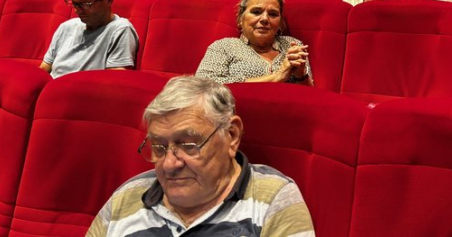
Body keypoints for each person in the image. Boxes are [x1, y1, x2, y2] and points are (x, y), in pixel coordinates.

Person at [86, 76, 315, 236]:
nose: (169, 164)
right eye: (158, 147)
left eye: (188, 144)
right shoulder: (128, 195)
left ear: (232, 135)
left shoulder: (273, 199)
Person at [196, 0, 313, 85]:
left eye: (273, 14)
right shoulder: (224, 46)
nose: (265, 19)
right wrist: (277, 77)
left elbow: (311, 97)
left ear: (281, 23)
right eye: (256, 12)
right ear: (241, 18)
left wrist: (301, 76)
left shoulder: (292, 46)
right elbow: (203, 85)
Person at [40, 0, 139, 79]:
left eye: (86, 3)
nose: (76, 10)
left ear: (108, 0)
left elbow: (115, 81)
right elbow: (44, 69)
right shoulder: (66, 27)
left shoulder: (120, 29)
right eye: (74, 2)